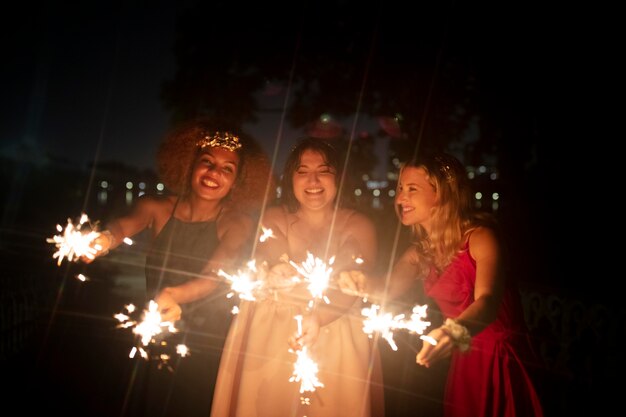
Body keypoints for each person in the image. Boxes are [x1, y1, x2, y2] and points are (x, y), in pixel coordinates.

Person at [159, 137, 385, 417]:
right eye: (302, 171)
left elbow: (352, 271)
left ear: (339, 176)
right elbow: (271, 251)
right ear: (290, 178)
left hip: (337, 329)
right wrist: (276, 267)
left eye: (323, 171)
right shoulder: (274, 216)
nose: (313, 181)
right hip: (270, 332)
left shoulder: (359, 224)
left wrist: (319, 317)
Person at [85, 118, 273, 417]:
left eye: (228, 169)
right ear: (190, 164)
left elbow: (215, 275)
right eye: (207, 162)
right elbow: (122, 225)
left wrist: (175, 294)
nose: (214, 173)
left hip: (207, 346)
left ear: (237, 182)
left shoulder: (237, 223)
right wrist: (103, 239)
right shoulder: (156, 208)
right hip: (154, 330)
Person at [339, 151, 544, 417]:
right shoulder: (419, 253)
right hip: (464, 359)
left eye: (412, 189)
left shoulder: (481, 237)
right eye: (400, 188)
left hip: (502, 360)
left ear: (443, 194)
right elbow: (386, 288)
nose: (400, 198)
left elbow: (488, 302)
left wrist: (452, 332)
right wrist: (360, 281)